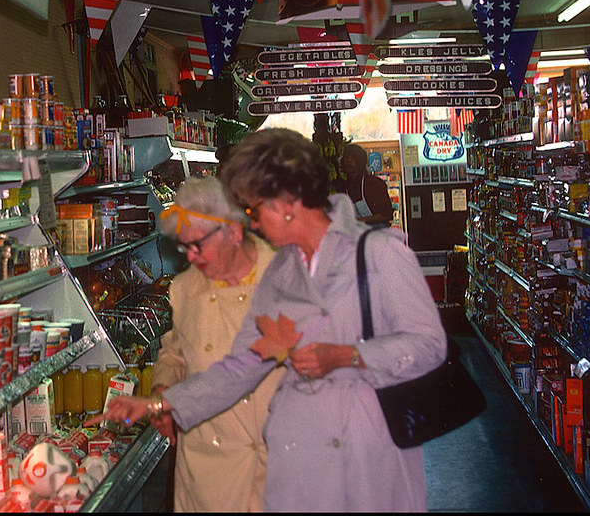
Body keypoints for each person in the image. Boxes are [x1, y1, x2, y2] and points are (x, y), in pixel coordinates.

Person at [88, 128, 446, 512]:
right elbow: (242, 365)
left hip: (363, 467)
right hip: (296, 473)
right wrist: (158, 406)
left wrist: (347, 355)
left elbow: (429, 346)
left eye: (254, 209)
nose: (252, 225)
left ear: (286, 200)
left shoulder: (379, 253)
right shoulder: (282, 272)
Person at [152, 177, 283, 512]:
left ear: (234, 232)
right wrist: (163, 387)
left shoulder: (285, 279)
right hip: (209, 477)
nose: (192, 257)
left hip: (278, 467)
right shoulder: (185, 290)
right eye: (184, 247)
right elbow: (175, 352)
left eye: (198, 245)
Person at [338, 143, 395, 226]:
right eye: (347, 157)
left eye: (353, 158)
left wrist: (359, 220)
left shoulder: (375, 184)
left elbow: (386, 215)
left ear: (360, 161)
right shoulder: (343, 187)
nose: (349, 161)